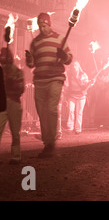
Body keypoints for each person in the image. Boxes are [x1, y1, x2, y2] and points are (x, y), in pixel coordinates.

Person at [25, 12, 72, 158]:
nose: (42, 28)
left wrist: (64, 56)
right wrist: (28, 60)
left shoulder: (60, 39)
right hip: (39, 80)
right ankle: (47, 143)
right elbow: (32, 64)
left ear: (49, 24)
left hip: (55, 78)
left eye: (44, 25)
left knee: (51, 109)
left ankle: (51, 142)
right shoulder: (35, 42)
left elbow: (69, 59)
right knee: (41, 112)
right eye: (40, 26)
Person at [0, 48, 25, 164]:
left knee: (15, 132)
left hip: (14, 103)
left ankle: (16, 156)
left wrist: (13, 83)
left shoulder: (18, 72)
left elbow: (21, 89)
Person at [65, 60, 92, 134]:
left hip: (81, 96)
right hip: (72, 95)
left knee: (79, 112)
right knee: (70, 110)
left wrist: (90, 83)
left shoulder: (83, 75)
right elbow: (66, 85)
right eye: (73, 65)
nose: (74, 67)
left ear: (79, 67)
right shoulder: (69, 75)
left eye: (76, 65)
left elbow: (86, 84)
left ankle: (78, 129)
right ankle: (70, 128)